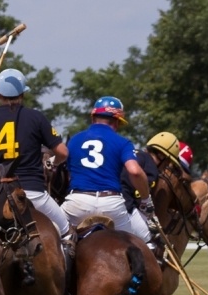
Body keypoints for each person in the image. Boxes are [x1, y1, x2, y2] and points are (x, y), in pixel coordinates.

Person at [0, 68, 73, 255]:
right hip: (34, 194)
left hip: (1, 197)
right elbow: (63, 152)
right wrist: (52, 163)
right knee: (66, 232)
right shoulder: (36, 117)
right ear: (23, 93)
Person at [60, 96, 153, 239]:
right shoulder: (123, 142)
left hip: (78, 203)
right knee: (138, 244)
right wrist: (146, 199)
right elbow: (134, 171)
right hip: (111, 204)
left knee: (52, 237)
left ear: (93, 118)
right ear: (116, 122)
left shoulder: (74, 140)